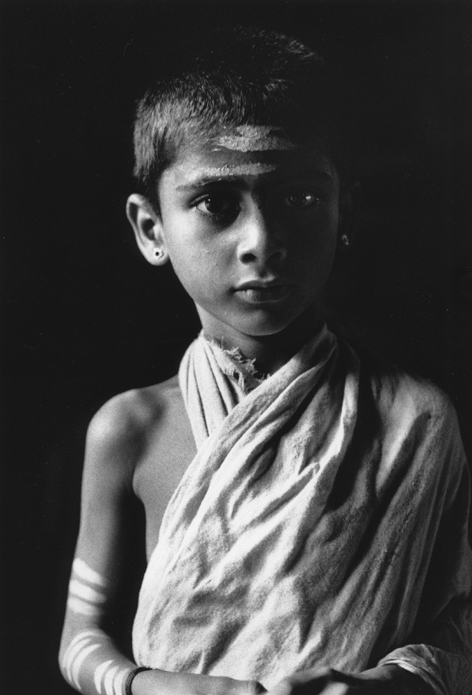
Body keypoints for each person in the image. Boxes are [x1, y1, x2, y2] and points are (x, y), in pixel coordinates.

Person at [59, 27, 472, 695]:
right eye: (217, 204)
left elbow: (461, 628)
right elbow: (80, 639)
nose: (262, 240)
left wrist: (387, 685)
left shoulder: (416, 421)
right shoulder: (130, 429)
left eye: (300, 199)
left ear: (344, 210)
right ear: (150, 229)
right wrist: (147, 685)